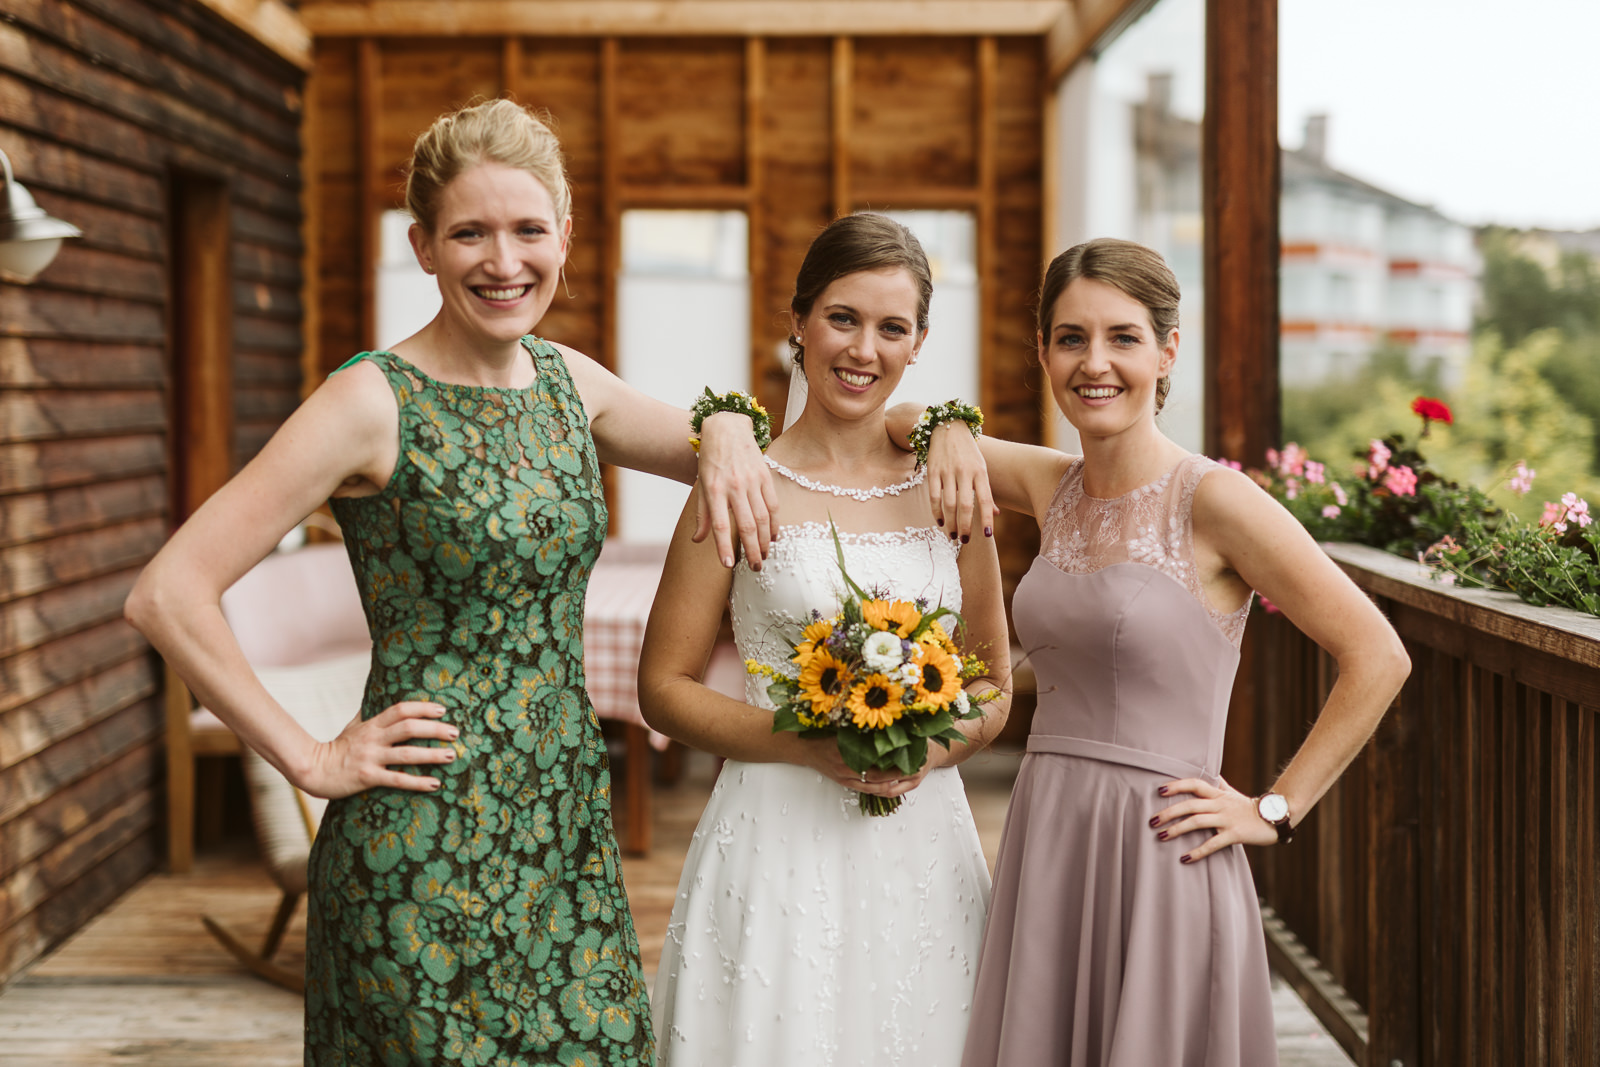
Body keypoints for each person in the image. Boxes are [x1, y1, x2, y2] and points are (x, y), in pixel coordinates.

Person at [125, 98, 778, 1067]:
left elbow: (753, 455)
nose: (503, 260)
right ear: (421, 245)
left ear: (564, 235)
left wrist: (728, 423)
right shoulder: (368, 400)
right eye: (469, 232)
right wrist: (307, 758)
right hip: (419, 836)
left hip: (562, 831)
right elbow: (167, 591)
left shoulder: (568, 382)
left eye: (527, 230)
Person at [906, 237, 1411, 1065]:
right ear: (1042, 351)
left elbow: (1378, 654)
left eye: (1122, 337)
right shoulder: (1050, 485)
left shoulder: (1215, 500)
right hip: (1049, 834)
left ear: (1169, 350)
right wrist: (953, 430)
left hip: (1163, 847)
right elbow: (898, 423)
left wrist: (1274, 810)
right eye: (1070, 338)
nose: (1093, 362)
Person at [637, 212, 1013, 1067]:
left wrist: (935, 745)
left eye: (892, 327)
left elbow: (995, 680)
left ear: (919, 342)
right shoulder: (737, 483)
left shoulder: (954, 488)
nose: (863, 349)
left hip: (922, 845)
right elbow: (664, 687)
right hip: (775, 836)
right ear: (797, 321)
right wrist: (806, 743)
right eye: (843, 318)